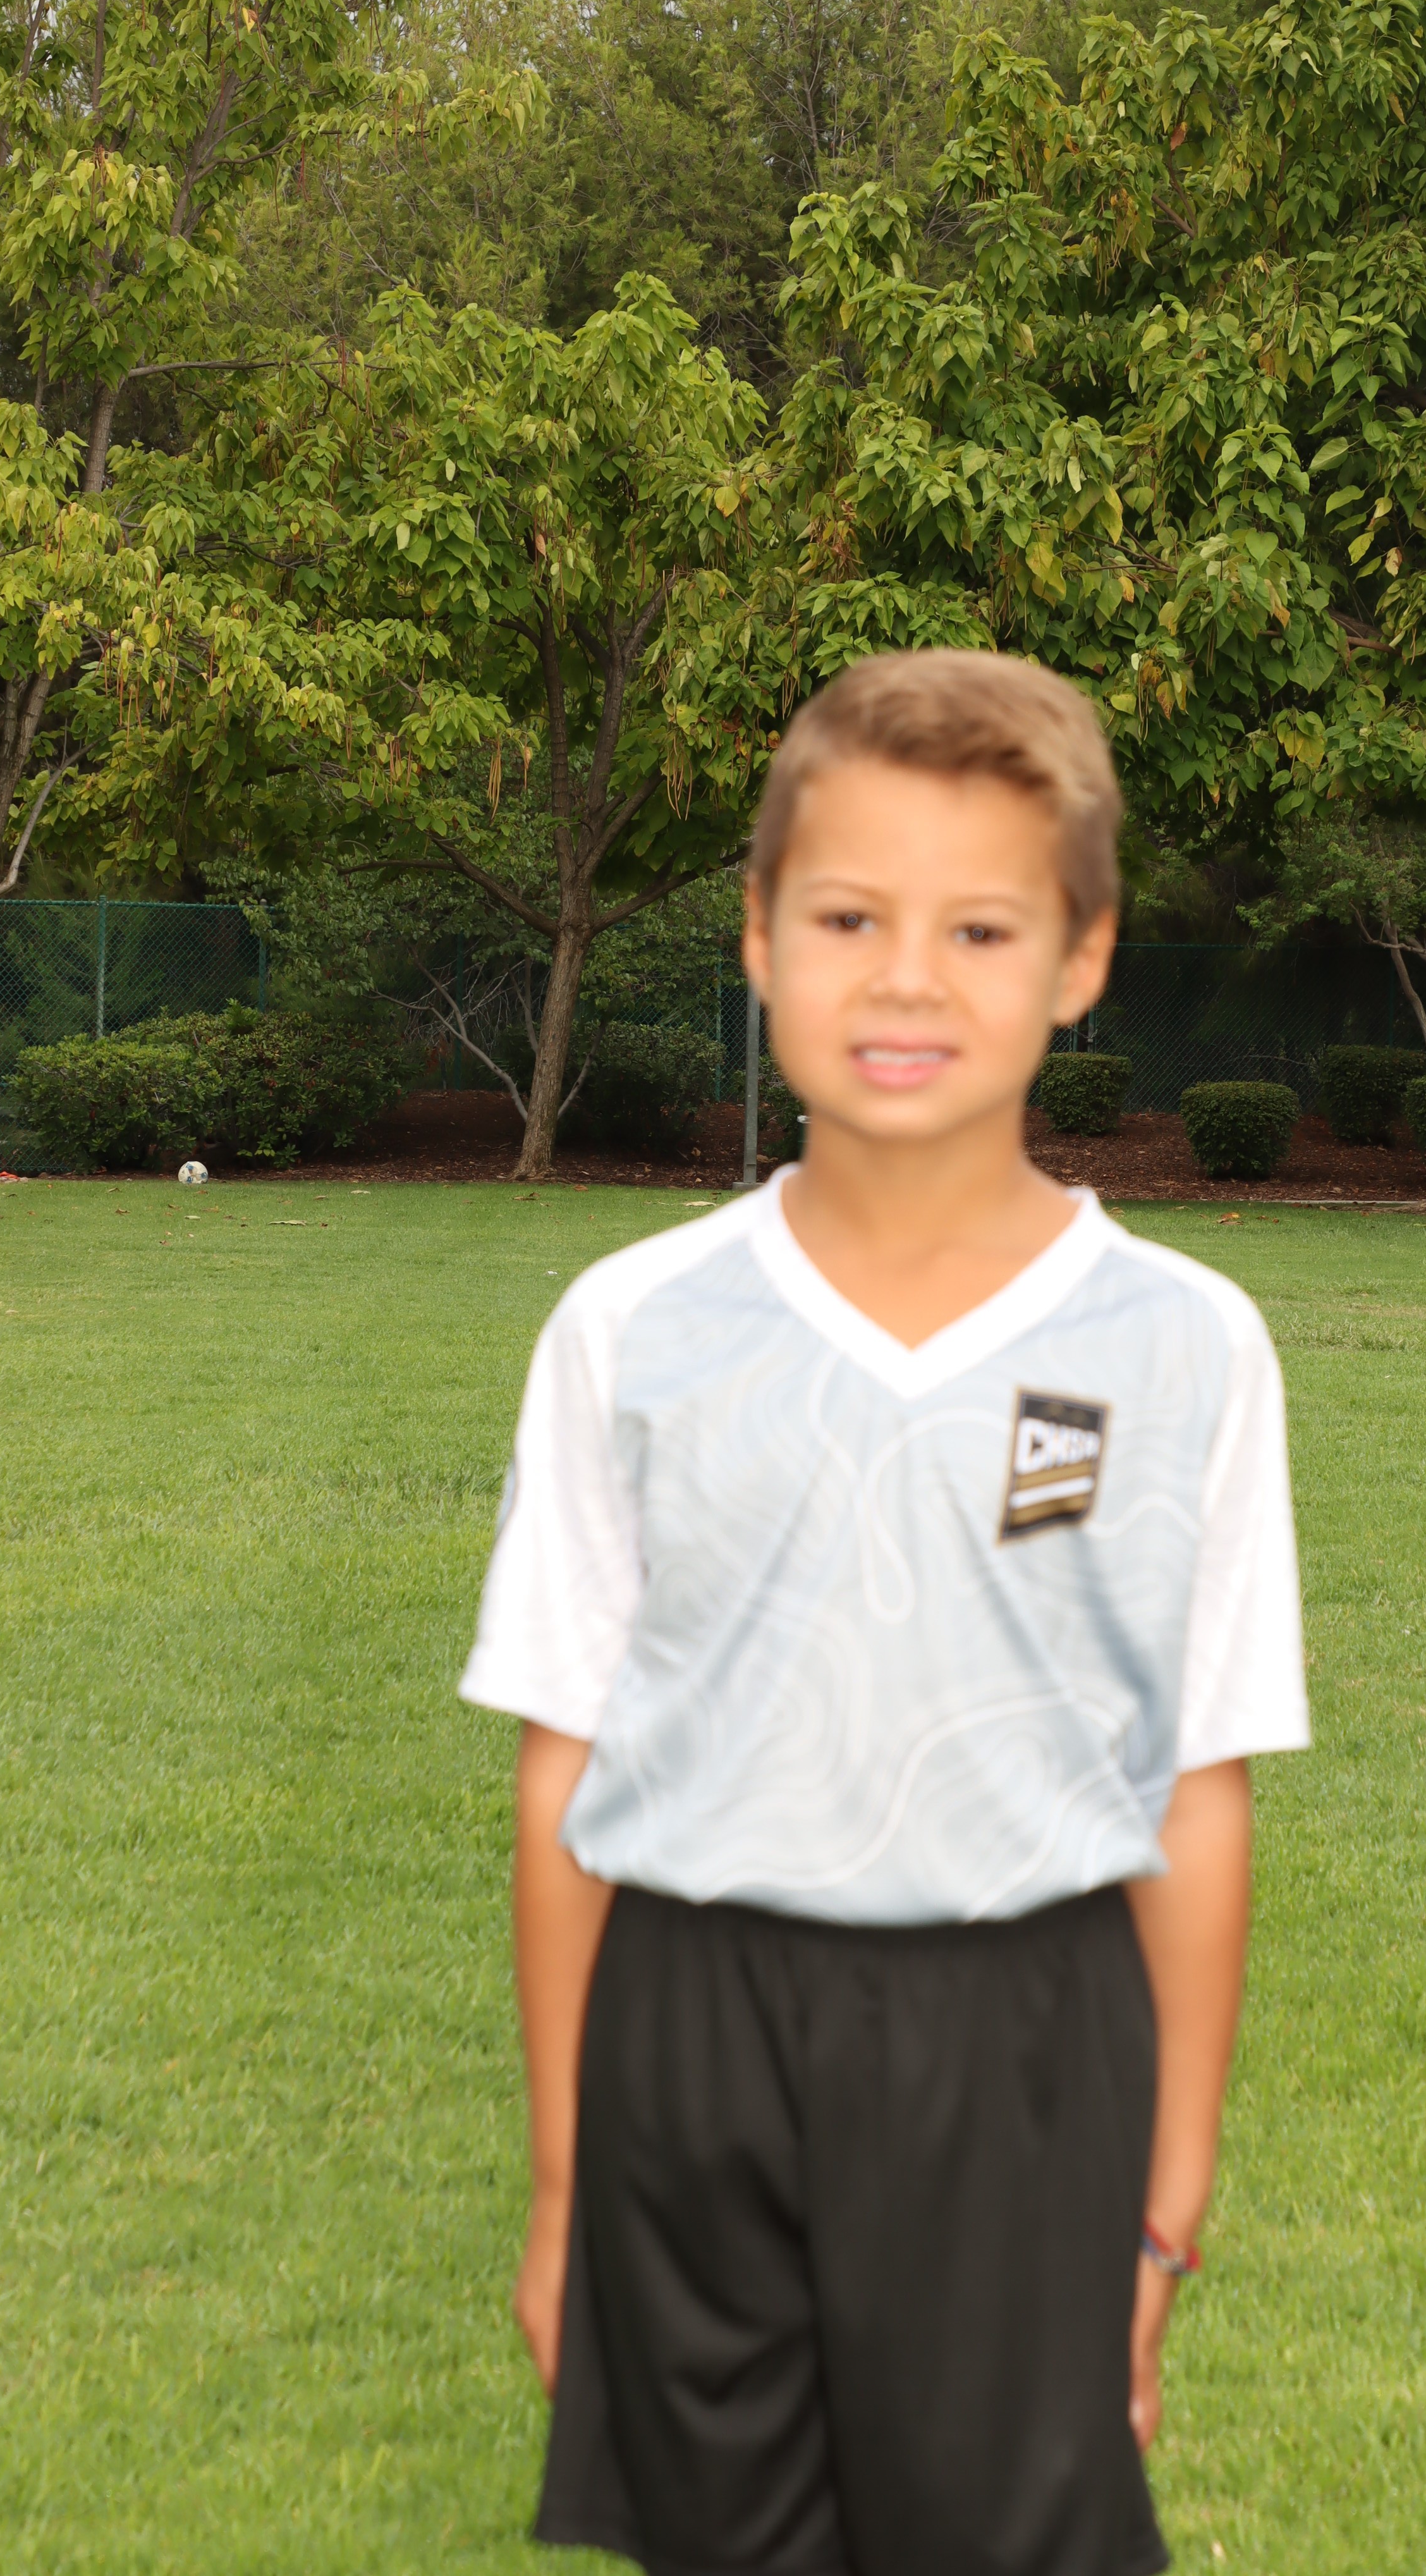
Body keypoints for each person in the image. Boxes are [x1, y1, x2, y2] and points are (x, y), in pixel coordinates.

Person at [460, 649, 1310, 2576]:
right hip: (693, 2030)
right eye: (849, 917)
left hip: (1023, 2042)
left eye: (981, 928)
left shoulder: (1186, 1346)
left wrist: (1165, 2213)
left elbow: (1198, 1789)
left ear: (1081, 959)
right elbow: (564, 1770)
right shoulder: (632, 1326)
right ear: (760, 935)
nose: (907, 979)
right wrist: (564, 2186)